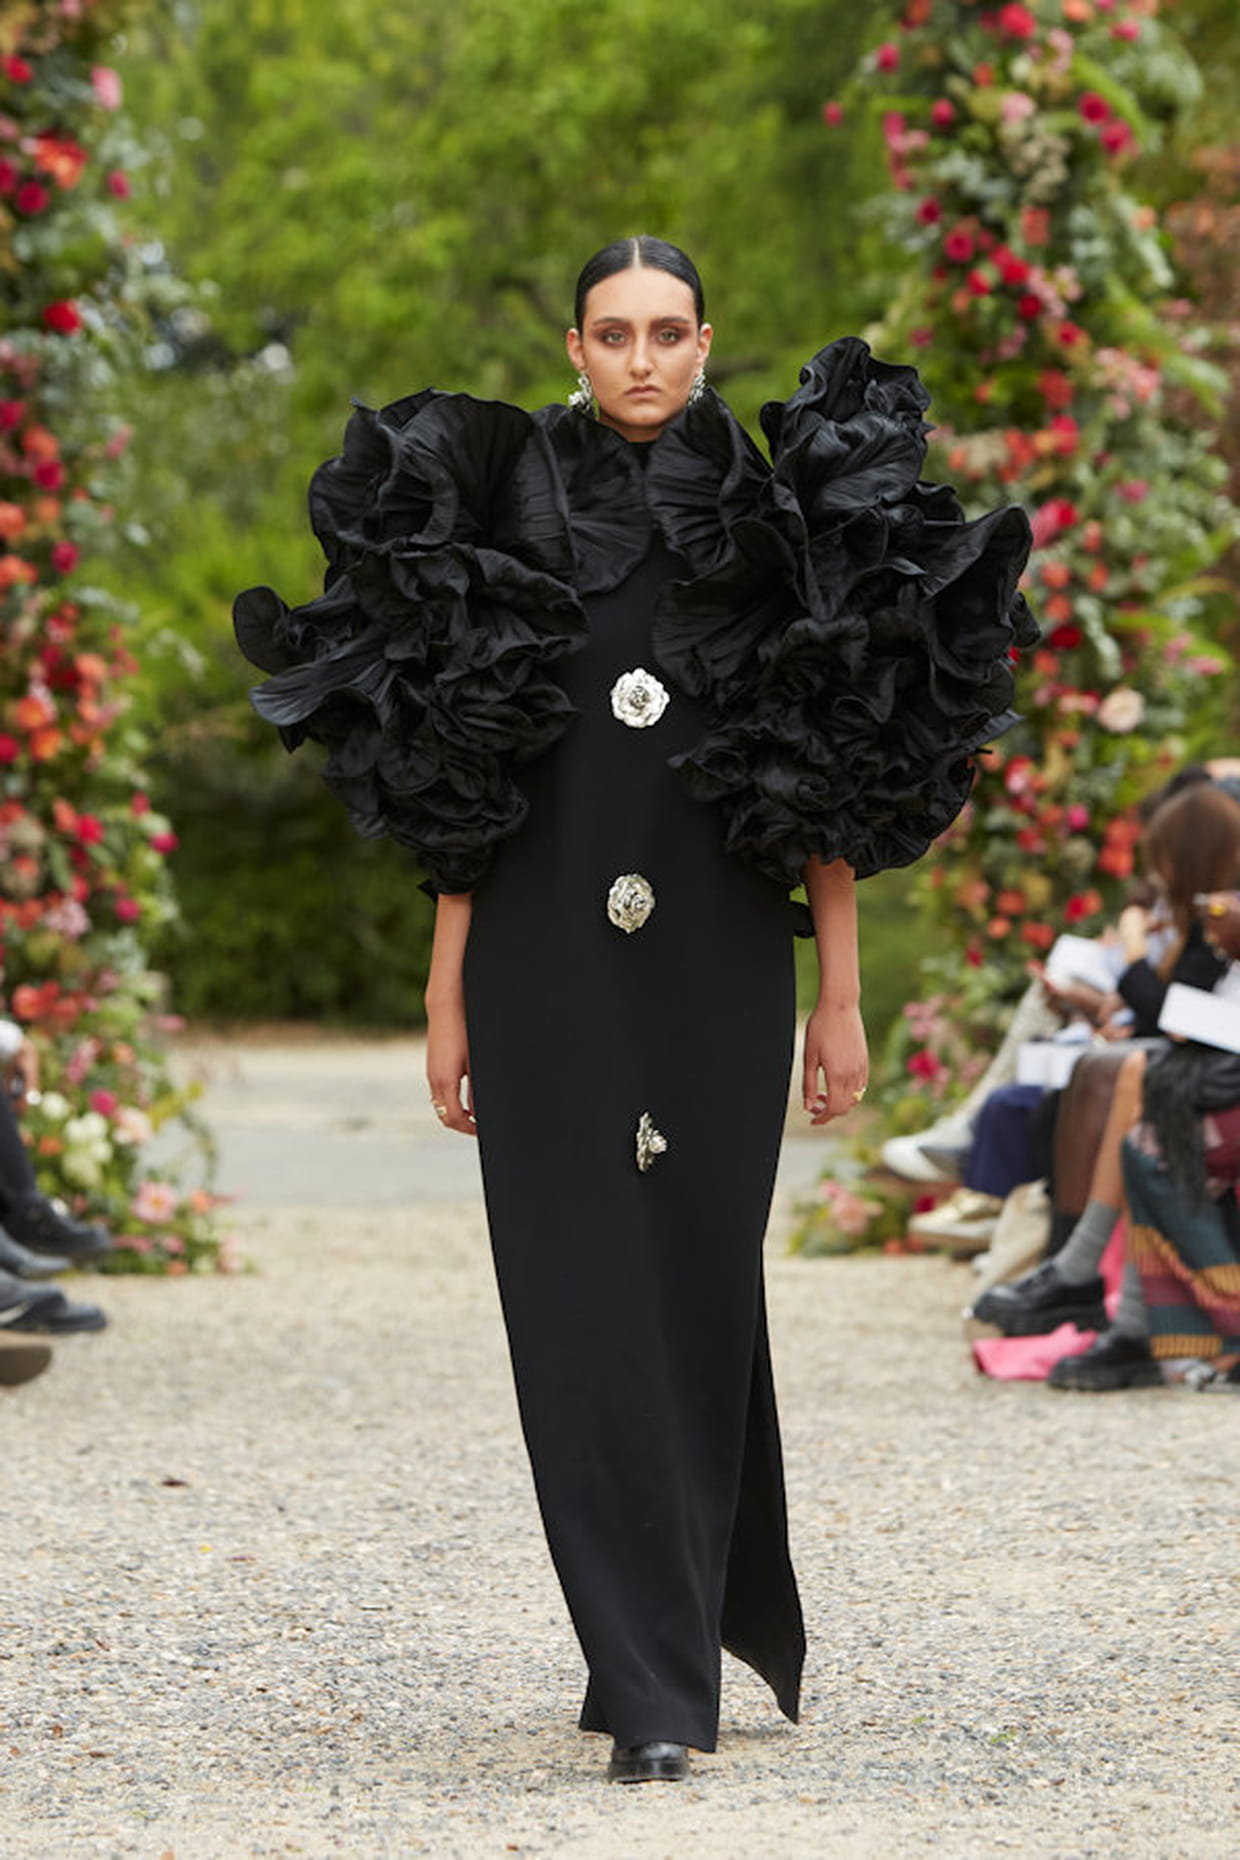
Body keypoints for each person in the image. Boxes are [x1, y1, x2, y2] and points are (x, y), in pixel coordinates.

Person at [234, 237, 1034, 1782]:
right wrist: (445, 992)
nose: (644, 359)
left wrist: (842, 997)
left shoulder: (783, 525)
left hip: (720, 962)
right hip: (541, 960)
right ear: (577, 348)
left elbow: (828, 775)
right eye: (615, 334)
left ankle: (671, 1634)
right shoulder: (495, 520)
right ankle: (649, 1672)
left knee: (695, 1289)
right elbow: (461, 773)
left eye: (669, 332)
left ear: (707, 343)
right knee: (574, 1307)